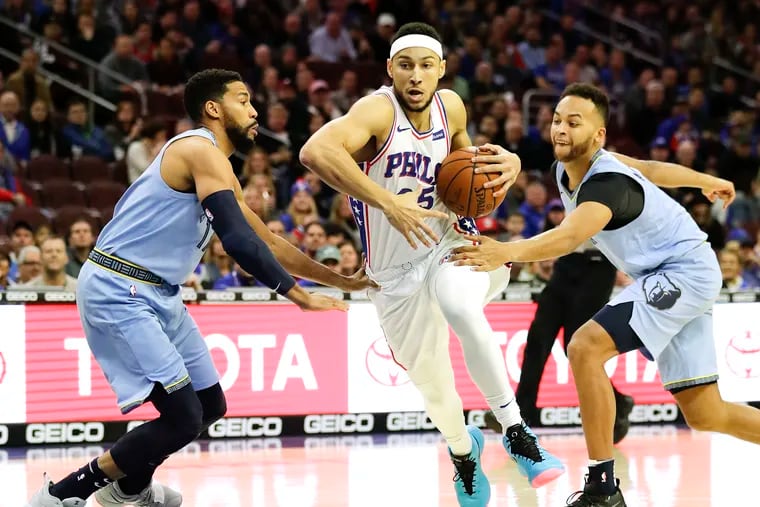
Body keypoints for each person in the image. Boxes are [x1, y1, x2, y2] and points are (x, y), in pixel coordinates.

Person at [27, 69, 373, 507]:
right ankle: (61, 495)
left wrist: (340, 280)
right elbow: (237, 241)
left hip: (160, 291)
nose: (255, 111)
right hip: (119, 285)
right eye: (243, 100)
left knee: (210, 407)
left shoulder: (221, 171)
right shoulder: (197, 150)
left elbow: (269, 242)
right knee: (183, 416)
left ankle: (129, 489)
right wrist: (297, 295)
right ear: (213, 108)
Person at [300, 22, 564, 507]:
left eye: (426, 66)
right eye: (405, 66)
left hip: (451, 244)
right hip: (394, 275)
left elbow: (470, 165)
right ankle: (464, 452)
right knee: (437, 390)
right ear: (390, 69)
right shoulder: (378, 111)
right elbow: (314, 151)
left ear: (441, 69)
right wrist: (388, 203)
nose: (416, 76)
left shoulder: (452, 107)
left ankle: (516, 431)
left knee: (459, 304)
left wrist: (507, 163)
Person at [449, 83, 747, 507]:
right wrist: (706, 181)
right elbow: (651, 168)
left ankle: (603, 488)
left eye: (574, 122)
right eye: (557, 120)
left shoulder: (606, 182)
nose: (561, 129)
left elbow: (569, 236)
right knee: (706, 413)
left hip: (682, 273)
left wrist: (505, 251)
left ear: (598, 134)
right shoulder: (567, 168)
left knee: (585, 347)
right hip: (674, 274)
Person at [484, 237, 635, 444]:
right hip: (566, 260)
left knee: (576, 347)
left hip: (599, 265)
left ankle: (617, 403)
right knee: (537, 338)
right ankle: (520, 414)